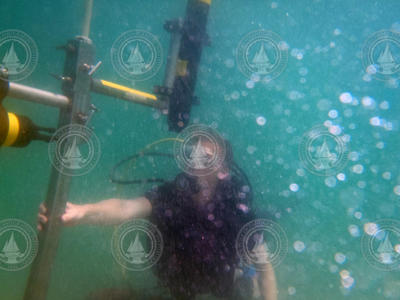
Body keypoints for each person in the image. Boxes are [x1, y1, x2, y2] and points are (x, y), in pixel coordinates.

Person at [38, 138, 278, 300]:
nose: (194, 164)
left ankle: (246, 280)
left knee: (248, 284)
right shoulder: (170, 196)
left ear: (223, 170)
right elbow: (125, 207)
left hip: (224, 290)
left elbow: (265, 267)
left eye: (205, 159)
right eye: (190, 156)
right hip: (177, 291)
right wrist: (82, 212)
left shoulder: (237, 210)